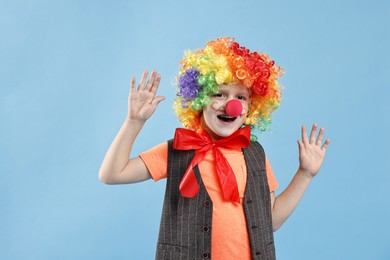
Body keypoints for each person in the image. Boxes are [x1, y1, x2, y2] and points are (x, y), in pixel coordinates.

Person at [99, 37, 330, 260]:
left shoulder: (255, 154)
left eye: (241, 96)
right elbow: (112, 174)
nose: (231, 105)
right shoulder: (179, 149)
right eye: (219, 93)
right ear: (198, 98)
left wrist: (305, 173)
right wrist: (134, 122)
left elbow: (271, 220)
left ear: (252, 107)